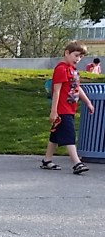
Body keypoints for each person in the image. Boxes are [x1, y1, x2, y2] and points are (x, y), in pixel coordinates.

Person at [43, 41, 95, 175]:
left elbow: (77, 87)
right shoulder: (61, 69)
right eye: (76, 55)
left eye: (81, 57)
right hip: (62, 110)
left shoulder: (73, 70)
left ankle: (47, 160)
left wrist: (88, 102)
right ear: (67, 53)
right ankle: (77, 163)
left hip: (70, 108)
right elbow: (56, 91)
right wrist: (54, 111)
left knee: (55, 135)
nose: (78, 59)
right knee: (69, 135)